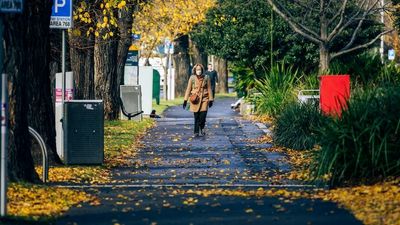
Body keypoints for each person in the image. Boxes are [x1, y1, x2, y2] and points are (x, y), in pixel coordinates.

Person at [183, 64, 214, 137]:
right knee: (196, 116)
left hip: (204, 99)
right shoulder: (192, 78)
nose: (198, 71)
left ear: (202, 70)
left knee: (203, 116)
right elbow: (188, 89)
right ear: (195, 70)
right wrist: (185, 100)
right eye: (197, 70)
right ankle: (196, 132)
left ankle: (202, 127)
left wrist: (211, 100)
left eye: (200, 69)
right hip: (195, 100)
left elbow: (209, 89)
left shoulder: (206, 77)